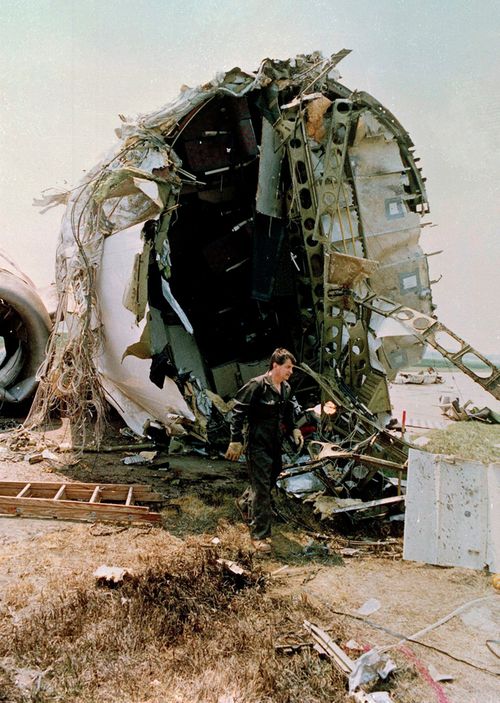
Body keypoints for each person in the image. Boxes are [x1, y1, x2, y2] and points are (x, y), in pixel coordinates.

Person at [225, 348, 304, 552]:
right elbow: (237, 412)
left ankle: (244, 503)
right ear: (275, 365)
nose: (290, 372)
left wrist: (294, 429)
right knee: (261, 489)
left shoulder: (285, 388)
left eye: (291, 368)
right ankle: (260, 536)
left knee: (269, 479)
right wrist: (235, 440)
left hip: (274, 443)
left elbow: (287, 413)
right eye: (287, 367)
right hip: (257, 443)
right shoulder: (257, 385)